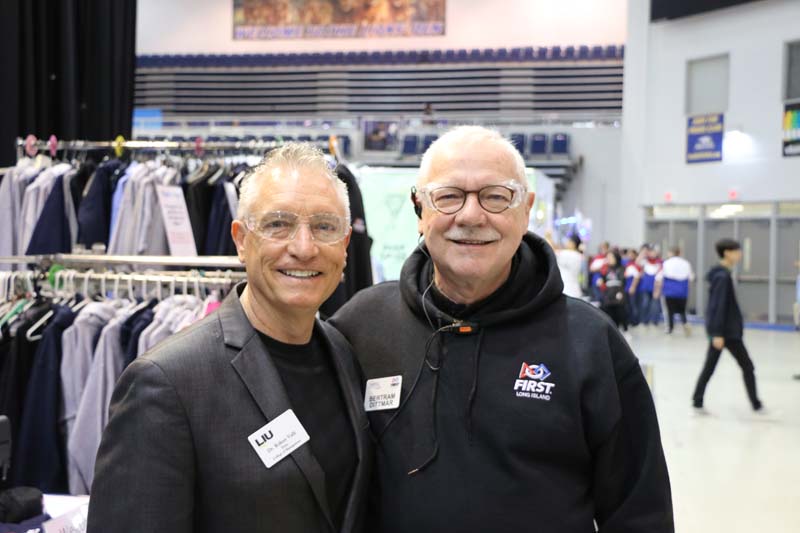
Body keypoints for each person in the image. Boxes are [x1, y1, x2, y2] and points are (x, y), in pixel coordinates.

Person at [330, 126, 674, 532]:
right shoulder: (362, 326)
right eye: (448, 196)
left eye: (495, 196)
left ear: (526, 210)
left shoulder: (591, 344)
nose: (471, 216)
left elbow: (640, 512)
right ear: (419, 210)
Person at [88, 143, 373, 533]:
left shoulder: (344, 353)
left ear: (345, 245)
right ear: (241, 240)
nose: (304, 248)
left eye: (324, 227)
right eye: (278, 224)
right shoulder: (167, 383)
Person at [692, 238, 763, 412]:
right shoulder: (722, 277)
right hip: (726, 332)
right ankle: (755, 403)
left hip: (725, 331)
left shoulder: (722, 274)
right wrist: (716, 333)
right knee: (746, 366)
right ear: (727, 253)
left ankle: (697, 399)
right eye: (737, 251)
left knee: (711, 366)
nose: (740, 254)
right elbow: (717, 306)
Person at [656, 246, 694, 335]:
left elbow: (659, 277)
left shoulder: (666, 263)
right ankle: (685, 323)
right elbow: (691, 278)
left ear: (671, 253)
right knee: (682, 310)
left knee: (669, 311)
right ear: (679, 253)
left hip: (669, 291)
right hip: (682, 292)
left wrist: (658, 290)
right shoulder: (686, 263)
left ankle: (670, 328)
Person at [598, 250, 629, 335]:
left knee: (620, 311)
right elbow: (603, 279)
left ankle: (625, 330)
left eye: (611, 257)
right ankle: (613, 331)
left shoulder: (621, 268)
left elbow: (623, 281)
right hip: (608, 292)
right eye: (608, 257)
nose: (609, 259)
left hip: (618, 291)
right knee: (608, 310)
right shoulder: (606, 268)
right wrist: (601, 282)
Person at [637, 244, 663, 326]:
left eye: (653, 252)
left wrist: (658, 289)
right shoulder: (645, 261)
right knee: (645, 304)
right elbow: (637, 262)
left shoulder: (660, 262)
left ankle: (654, 321)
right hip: (645, 287)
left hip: (656, 288)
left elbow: (661, 276)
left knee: (655, 305)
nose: (652, 253)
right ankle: (644, 321)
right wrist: (643, 252)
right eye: (650, 251)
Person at [555, 233, 584, 298]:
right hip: (573, 290)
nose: (567, 243)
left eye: (569, 241)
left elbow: (550, 250)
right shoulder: (578, 255)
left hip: (568, 291)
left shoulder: (570, 254)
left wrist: (549, 237)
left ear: (573, 244)